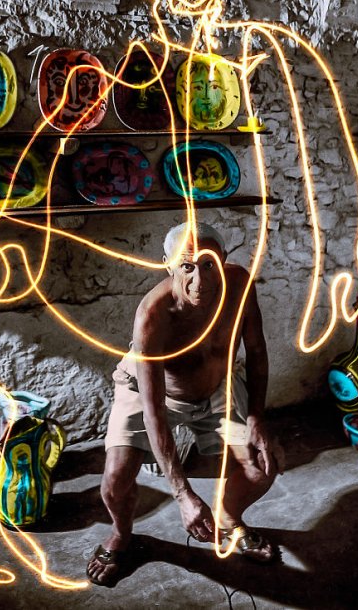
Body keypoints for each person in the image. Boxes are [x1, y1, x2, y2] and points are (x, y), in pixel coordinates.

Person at [86, 221, 284, 587]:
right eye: (187, 266)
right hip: (152, 395)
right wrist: (183, 495)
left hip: (217, 390)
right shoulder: (153, 314)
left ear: (224, 259)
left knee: (263, 462)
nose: (199, 280)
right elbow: (153, 412)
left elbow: (256, 351)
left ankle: (229, 519)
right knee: (115, 480)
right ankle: (121, 534)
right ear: (168, 265)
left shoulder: (239, 285)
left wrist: (256, 417)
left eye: (209, 265)